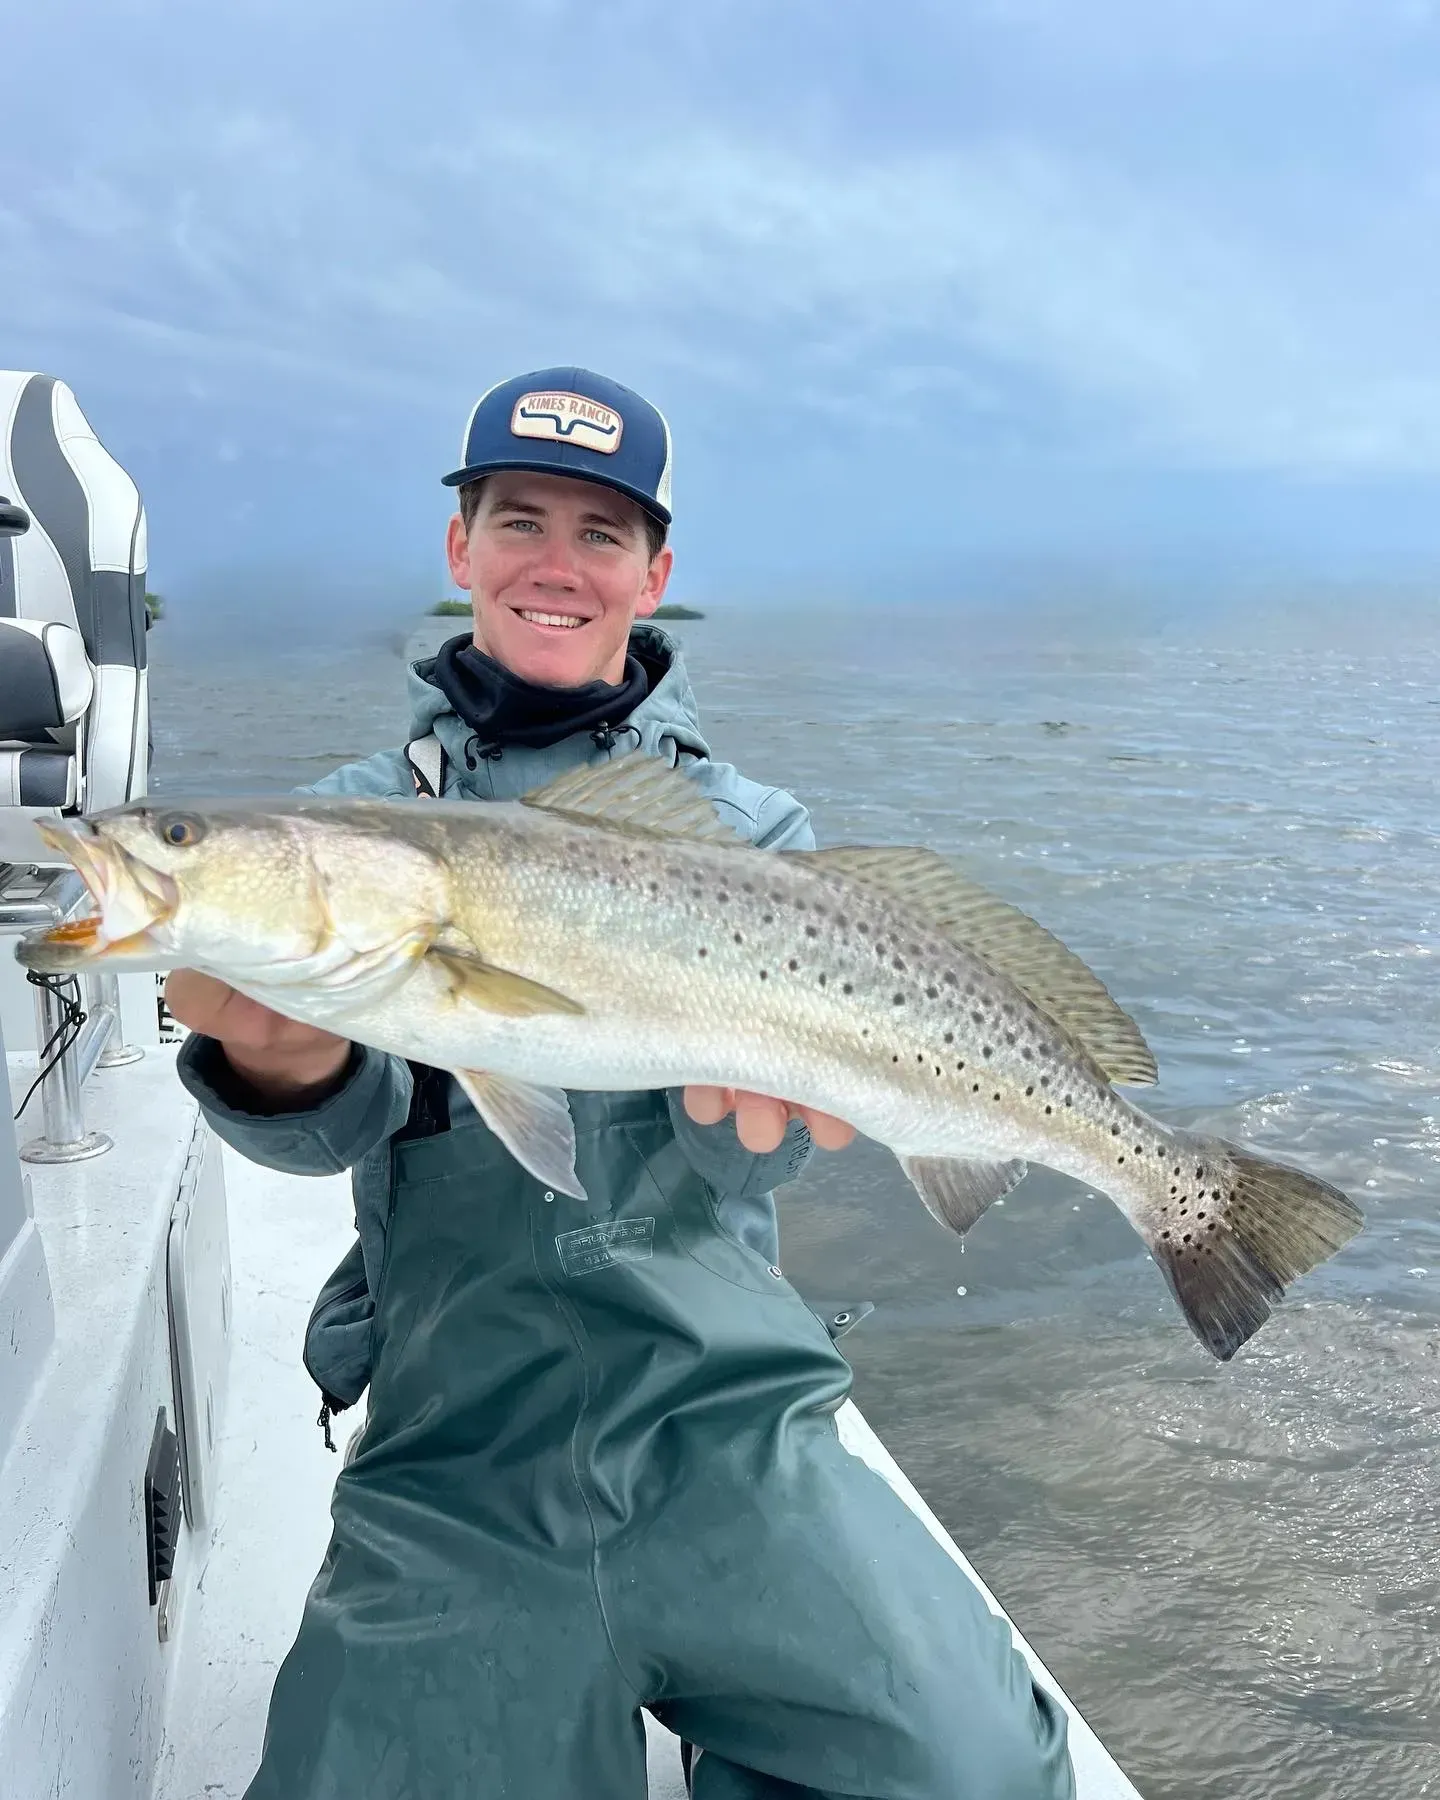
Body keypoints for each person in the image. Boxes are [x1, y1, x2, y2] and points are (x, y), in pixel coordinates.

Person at [168, 367, 1075, 1799]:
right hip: (459, 1438)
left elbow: (750, 1166)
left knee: (975, 1772)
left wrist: (777, 1126)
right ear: (458, 548)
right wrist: (273, 1058)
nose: (554, 563)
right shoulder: (353, 812)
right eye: (517, 518)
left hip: (728, 1413)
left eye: (601, 534)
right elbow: (331, 1129)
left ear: (655, 574)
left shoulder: (753, 833)